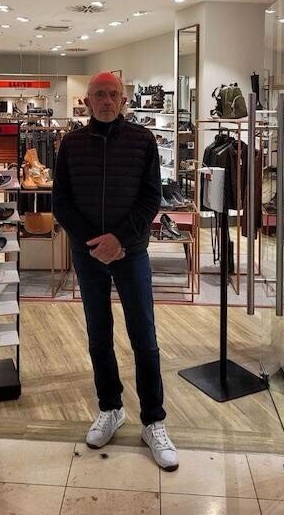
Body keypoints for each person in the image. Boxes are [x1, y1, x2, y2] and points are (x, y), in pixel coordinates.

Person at [52, 71, 178, 471]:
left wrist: (119, 239)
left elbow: (151, 198)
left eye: (112, 95)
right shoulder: (71, 144)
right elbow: (61, 202)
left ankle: (153, 421)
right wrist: (96, 242)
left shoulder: (143, 141)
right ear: (87, 101)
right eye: (99, 95)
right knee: (98, 334)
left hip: (132, 251)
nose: (106, 101)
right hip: (88, 253)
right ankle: (110, 408)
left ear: (123, 100)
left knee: (144, 336)